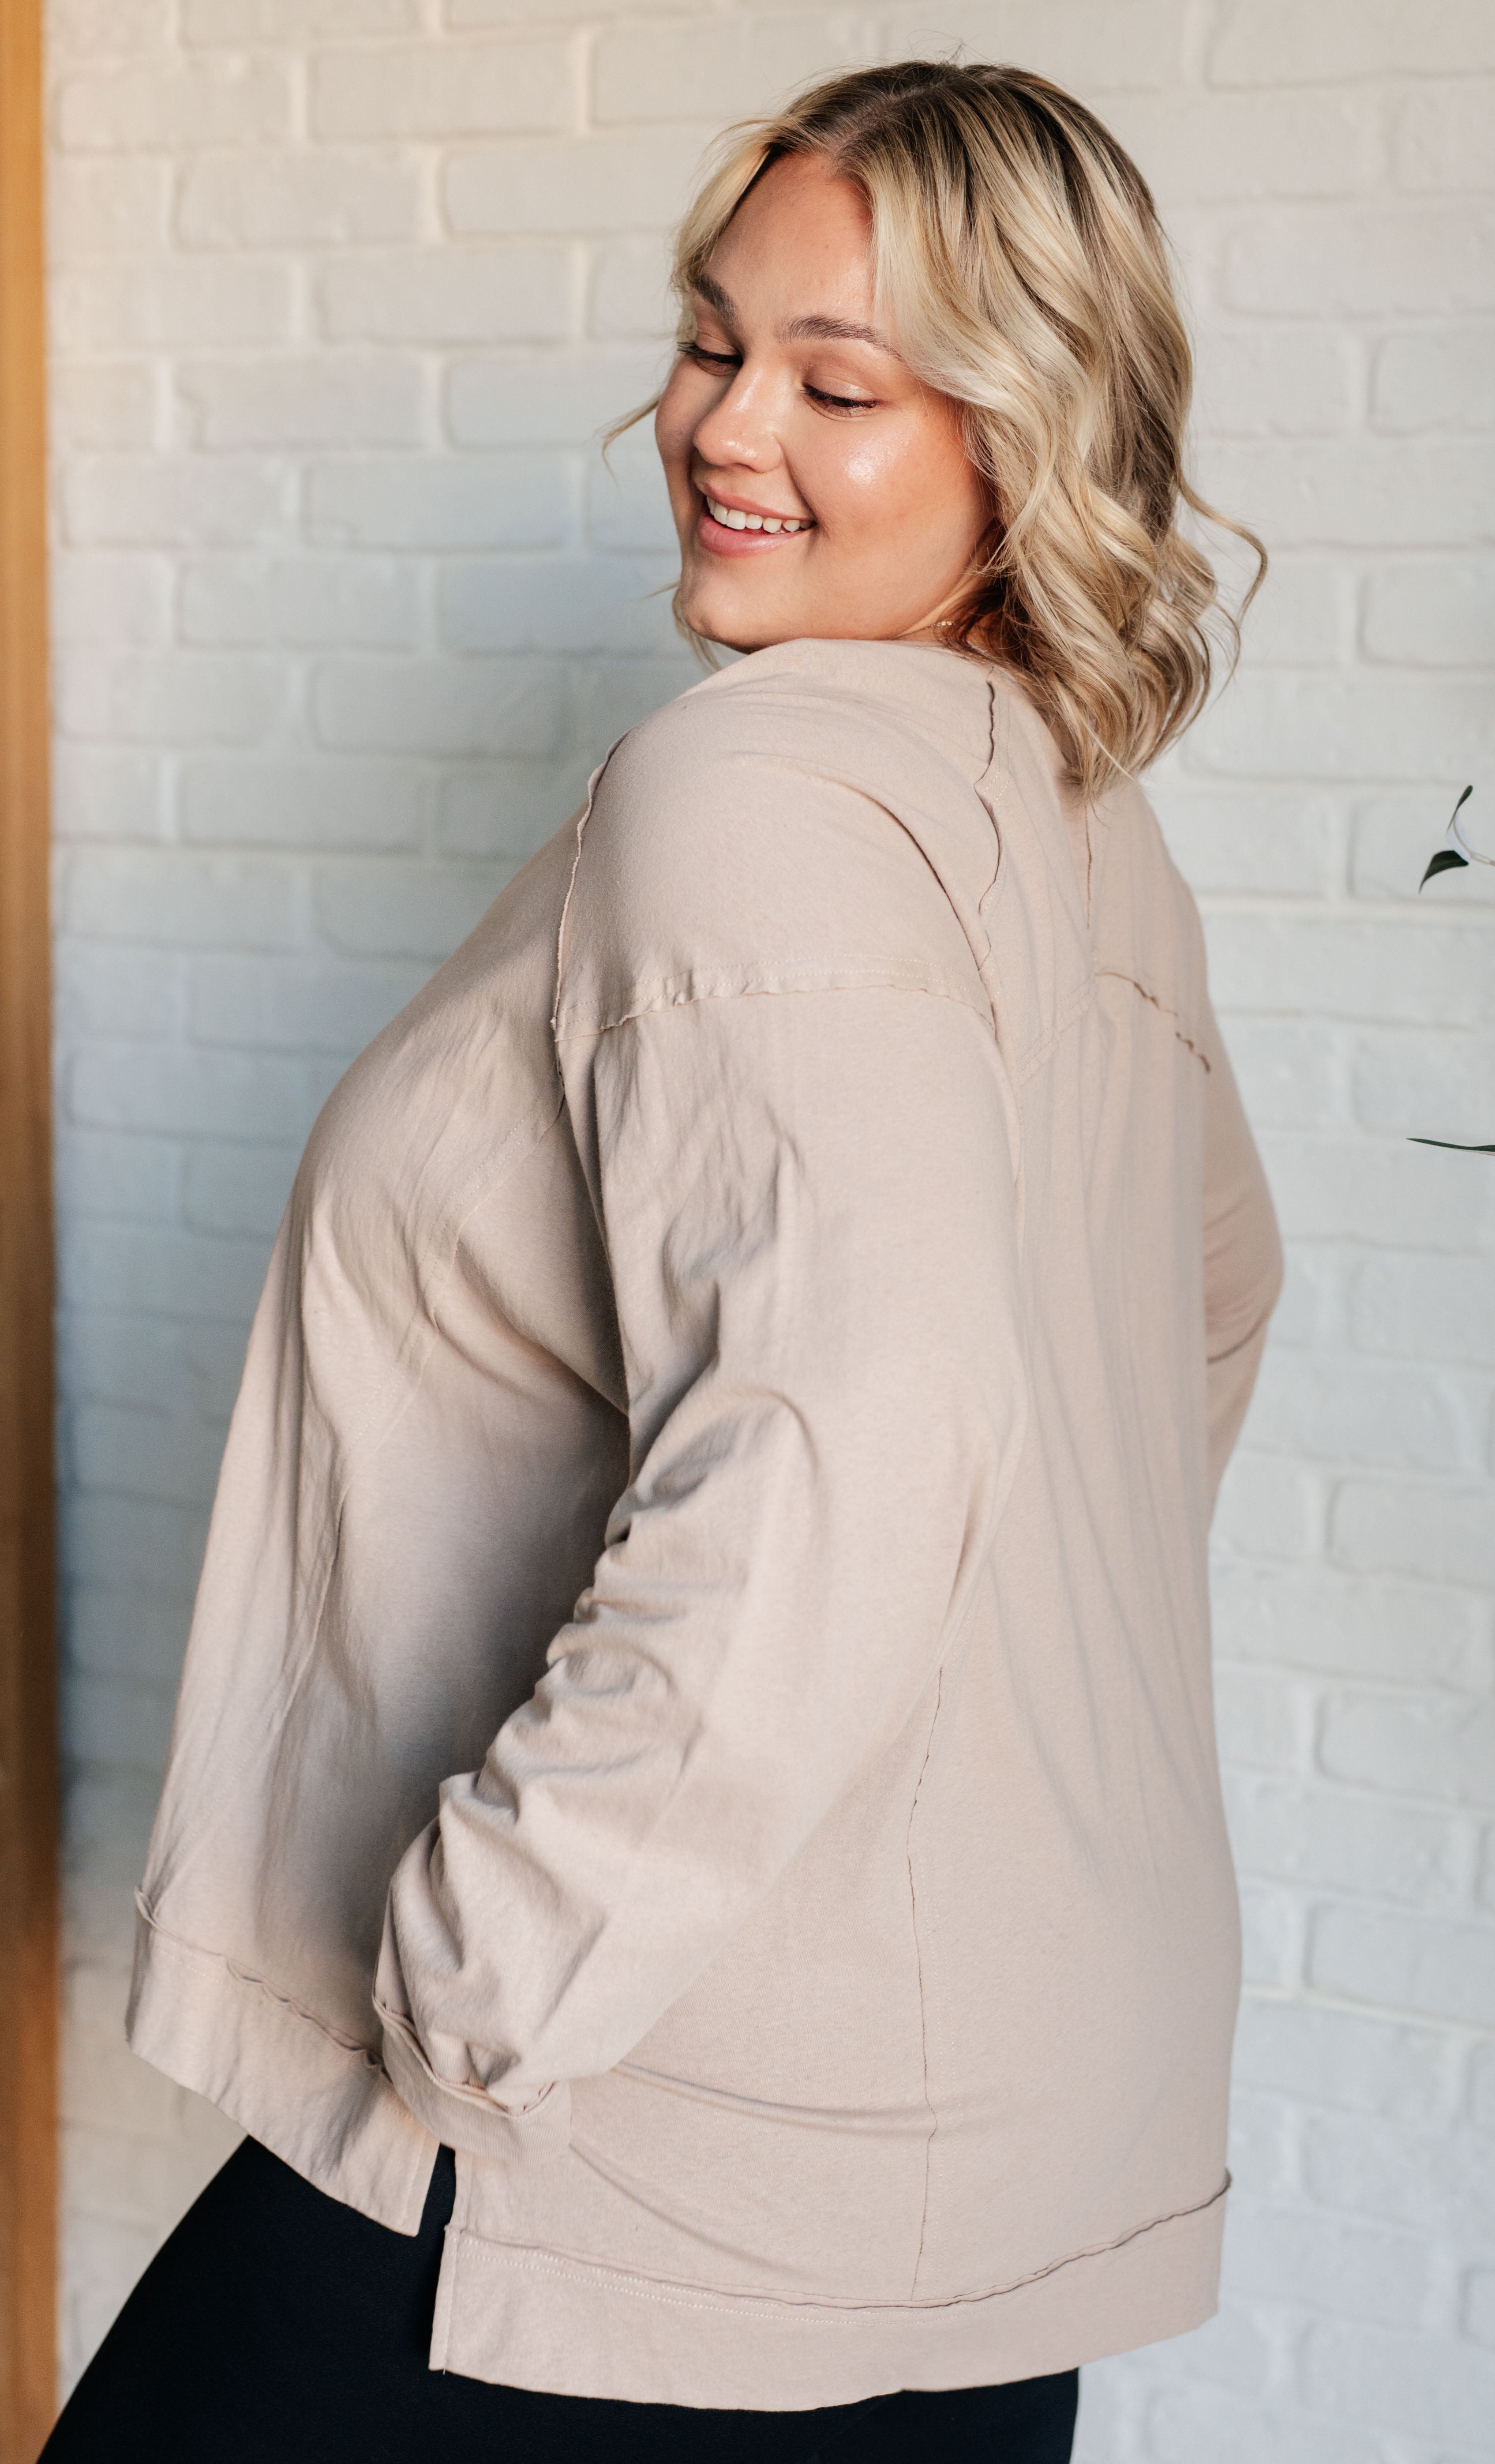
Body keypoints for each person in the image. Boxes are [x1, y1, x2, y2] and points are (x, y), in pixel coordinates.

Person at [45, 57, 1281, 2464]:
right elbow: (1190, 1332)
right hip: (999, 2130)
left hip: (637, 2124)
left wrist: (485, 1975)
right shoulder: (1085, 841)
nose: (727, 427)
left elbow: (862, 1434)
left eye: (842, 385)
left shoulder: (750, 787)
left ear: (1030, 443)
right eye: (716, 343)